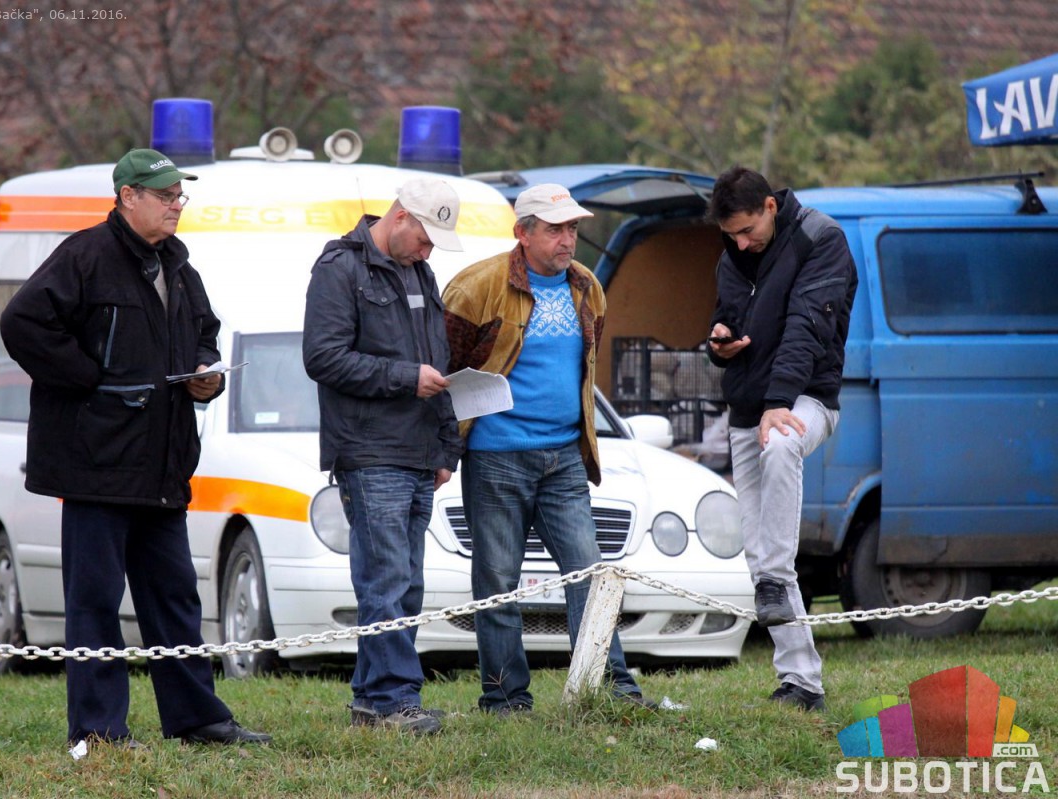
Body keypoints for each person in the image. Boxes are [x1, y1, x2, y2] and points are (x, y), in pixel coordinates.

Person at [0, 148, 270, 747]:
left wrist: (206, 375)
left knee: (175, 597)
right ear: (128, 197)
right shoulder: (84, 256)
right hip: (96, 464)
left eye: (180, 195)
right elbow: (22, 323)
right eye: (166, 195)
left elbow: (204, 334)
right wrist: (87, 378)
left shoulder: (179, 265)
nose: (177, 205)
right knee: (95, 601)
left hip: (162, 466)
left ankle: (196, 719)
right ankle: (98, 731)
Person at [443, 183, 659, 715]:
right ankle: (504, 698)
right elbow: (444, 369)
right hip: (495, 455)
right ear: (522, 233)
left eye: (573, 229)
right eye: (555, 229)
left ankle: (611, 691)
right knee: (497, 581)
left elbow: (584, 366)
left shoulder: (587, 286)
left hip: (564, 455)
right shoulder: (476, 286)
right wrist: (444, 452)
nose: (568, 240)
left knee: (589, 574)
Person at [302, 176, 464, 736]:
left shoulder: (420, 271)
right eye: (425, 238)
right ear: (400, 218)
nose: (429, 251)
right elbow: (322, 358)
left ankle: (374, 702)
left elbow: (438, 362)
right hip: (369, 453)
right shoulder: (339, 269)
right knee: (386, 580)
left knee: (404, 583)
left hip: (418, 453)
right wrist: (404, 378)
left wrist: (446, 448)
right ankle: (396, 702)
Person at [705, 166, 858, 713]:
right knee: (759, 548)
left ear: (770, 206)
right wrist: (718, 341)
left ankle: (772, 580)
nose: (740, 244)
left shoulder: (822, 239)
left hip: (807, 398)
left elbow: (807, 327)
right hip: (748, 407)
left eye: (747, 231)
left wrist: (778, 402)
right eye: (731, 236)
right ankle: (801, 682)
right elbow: (726, 318)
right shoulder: (733, 254)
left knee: (782, 445)